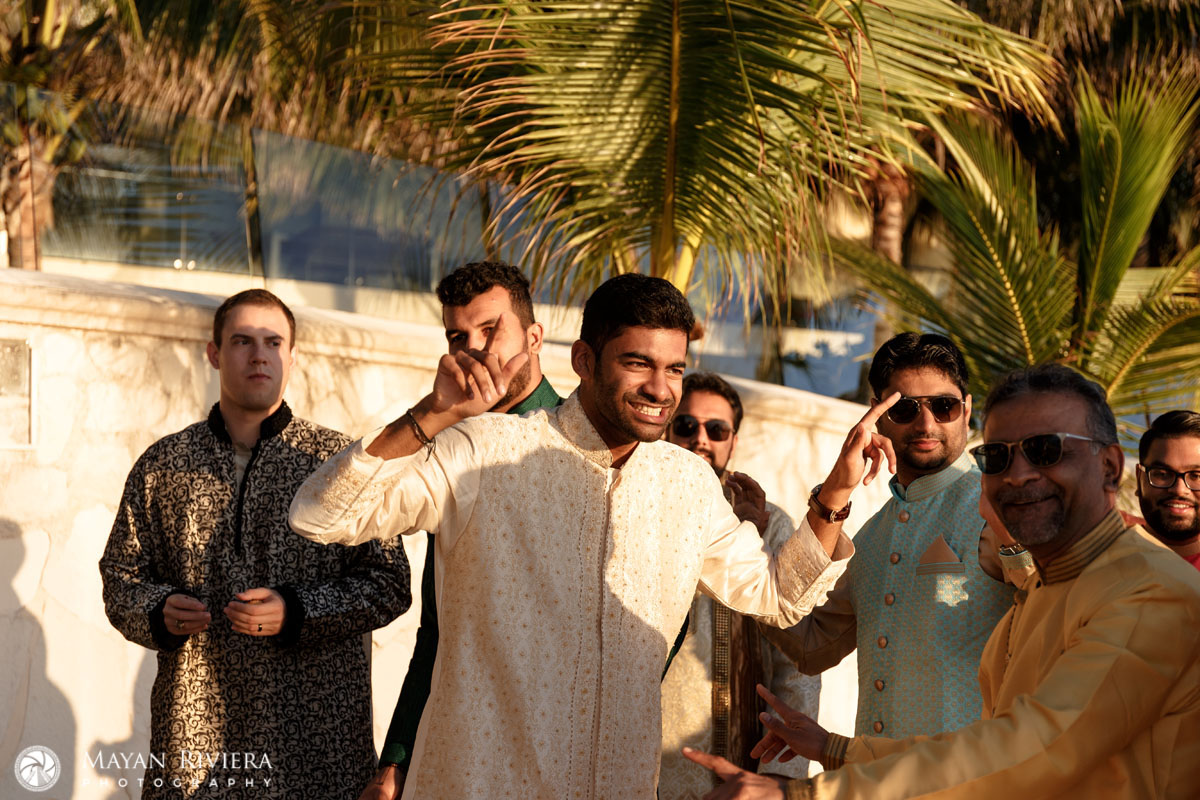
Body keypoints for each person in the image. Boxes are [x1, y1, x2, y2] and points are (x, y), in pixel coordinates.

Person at [289, 273, 853, 799]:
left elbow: (779, 598)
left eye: (675, 369)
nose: (661, 389)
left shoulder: (686, 483)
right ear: (584, 359)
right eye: (638, 364)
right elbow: (322, 516)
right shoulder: (486, 450)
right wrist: (432, 414)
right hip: (481, 782)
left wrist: (834, 494)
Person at [685, 363, 1200, 799]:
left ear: (1110, 466)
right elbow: (811, 639)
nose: (1018, 474)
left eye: (1046, 450)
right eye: (999, 457)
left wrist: (801, 792)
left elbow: (1037, 748)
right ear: (879, 417)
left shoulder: (1147, 590)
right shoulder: (1046, 579)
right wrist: (834, 749)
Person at [100, 290, 411, 800]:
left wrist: (297, 610)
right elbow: (121, 580)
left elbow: (389, 583)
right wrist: (158, 612)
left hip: (316, 746)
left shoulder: (340, 464)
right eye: (242, 340)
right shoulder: (162, 465)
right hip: (193, 745)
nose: (259, 354)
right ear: (215, 353)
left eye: (273, 342)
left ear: (292, 356)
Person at [364, 261, 562, 800]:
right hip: (463, 752)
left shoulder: (583, 445)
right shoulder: (453, 450)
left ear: (534, 336)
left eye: (490, 330)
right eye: (458, 336)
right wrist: (397, 761)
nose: (474, 349)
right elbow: (439, 628)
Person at [761, 333, 1015, 739]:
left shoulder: (1001, 508)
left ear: (967, 411)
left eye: (944, 406)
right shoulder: (874, 536)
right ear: (876, 416)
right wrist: (750, 549)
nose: (927, 423)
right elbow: (810, 644)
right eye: (907, 409)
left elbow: (1064, 610)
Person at [660, 372, 819, 797]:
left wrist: (780, 773)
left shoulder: (773, 524)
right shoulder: (640, 510)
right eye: (686, 425)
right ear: (667, 428)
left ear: (734, 440)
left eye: (716, 429)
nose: (700, 439)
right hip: (649, 764)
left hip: (745, 767)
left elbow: (797, 663)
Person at [1136, 410, 1200, 570]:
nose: (1179, 490)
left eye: (1196, 476)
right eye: (1163, 474)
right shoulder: (1100, 565)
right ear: (1139, 478)